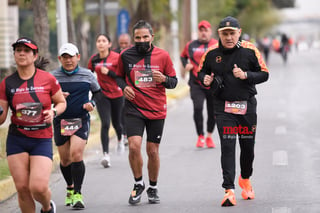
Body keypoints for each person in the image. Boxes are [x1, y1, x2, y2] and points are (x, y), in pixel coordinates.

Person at [198, 16, 269, 207]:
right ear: (219, 34)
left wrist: (246, 75)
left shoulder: (250, 50)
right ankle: (229, 190)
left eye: (232, 33)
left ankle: (245, 178)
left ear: (239, 32)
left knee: (247, 147)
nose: (228, 37)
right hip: (223, 108)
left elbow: (264, 74)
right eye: (224, 34)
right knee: (228, 146)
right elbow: (201, 71)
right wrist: (204, 79)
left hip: (246, 107)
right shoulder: (211, 53)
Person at [0, 37, 66, 213]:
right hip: (17, 138)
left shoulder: (47, 79)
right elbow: (2, 117)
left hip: (41, 138)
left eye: (26, 50)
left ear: (35, 55)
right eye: (18, 50)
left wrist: (53, 112)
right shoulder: (7, 83)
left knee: (38, 187)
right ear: (14, 54)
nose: (21, 53)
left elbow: (61, 102)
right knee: (22, 188)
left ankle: (46, 207)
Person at [116, 20, 178, 205]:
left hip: (157, 109)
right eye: (137, 38)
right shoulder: (125, 56)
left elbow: (173, 82)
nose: (141, 40)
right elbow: (118, 77)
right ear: (133, 39)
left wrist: (164, 78)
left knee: (152, 151)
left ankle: (153, 186)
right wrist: (124, 87)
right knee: (134, 146)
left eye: (145, 37)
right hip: (134, 108)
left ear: (152, 36)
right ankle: (138, 183)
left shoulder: (163, 56)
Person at [51, 43, 101, 209]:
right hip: (60, 121)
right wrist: (56, 98)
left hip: (80, 120)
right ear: (60, 59)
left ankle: (78, 194)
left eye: (71, 56)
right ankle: (70, 187)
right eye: (64, 57)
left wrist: (91, 103)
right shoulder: (53, 77)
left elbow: (98, 93)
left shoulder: (87, 75)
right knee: (65, 160)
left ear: (78, 57)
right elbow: (45, 96)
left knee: (76, 154)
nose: (68, 60)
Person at [88, 34, 125, 168]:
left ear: (109, 44)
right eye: (98, 41)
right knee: (105, 123)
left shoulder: (117, 58)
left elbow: (122, 76)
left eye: (104, 41)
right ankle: (106, 155)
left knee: (117, 123)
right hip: (102, 95)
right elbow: (89, 75)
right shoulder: (93, 59)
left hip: (117, 94)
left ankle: (120, 139)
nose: (101, 43)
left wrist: (109, 73)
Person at [180, 20, 218, 148]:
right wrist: (186, 65)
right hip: (196, 82)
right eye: (201, 30)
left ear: (210, 32)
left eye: (205, 30)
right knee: (198, 108)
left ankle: (209, 136)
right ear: (198, 32)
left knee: (213, 111)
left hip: (212, 83)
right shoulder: (190, 45)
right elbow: (182, 56)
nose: (203, 33)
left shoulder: (216, 44)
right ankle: (200, 136)